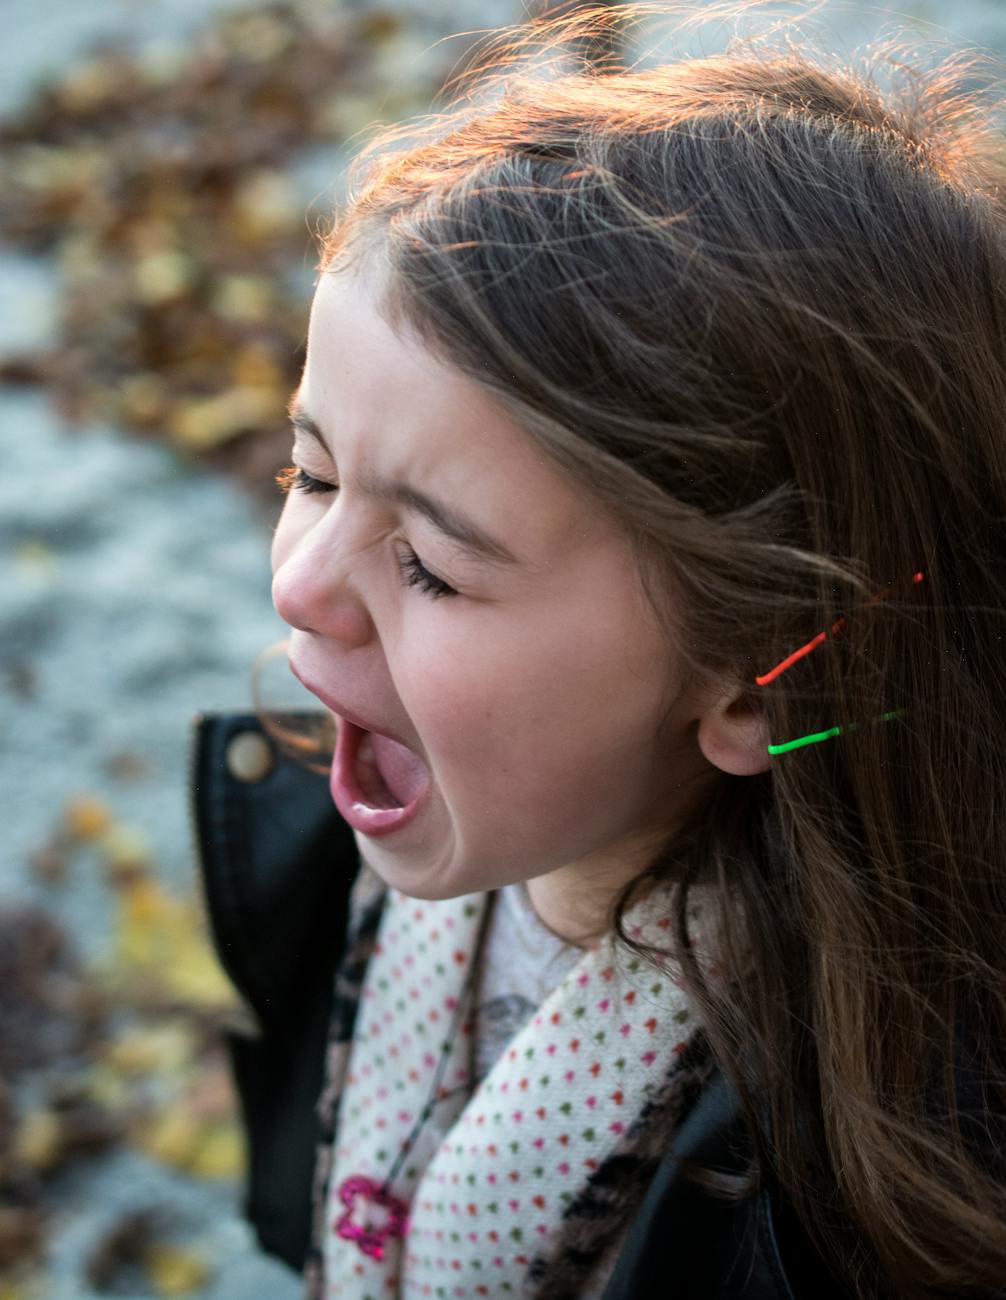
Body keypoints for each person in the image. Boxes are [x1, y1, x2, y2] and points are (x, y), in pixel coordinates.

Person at [192, 5, 1006, 1297]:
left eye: (429, 566)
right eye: (307, 470)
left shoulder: (865, 1212)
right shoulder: (320, 841)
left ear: (753, 680)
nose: (297, 586)